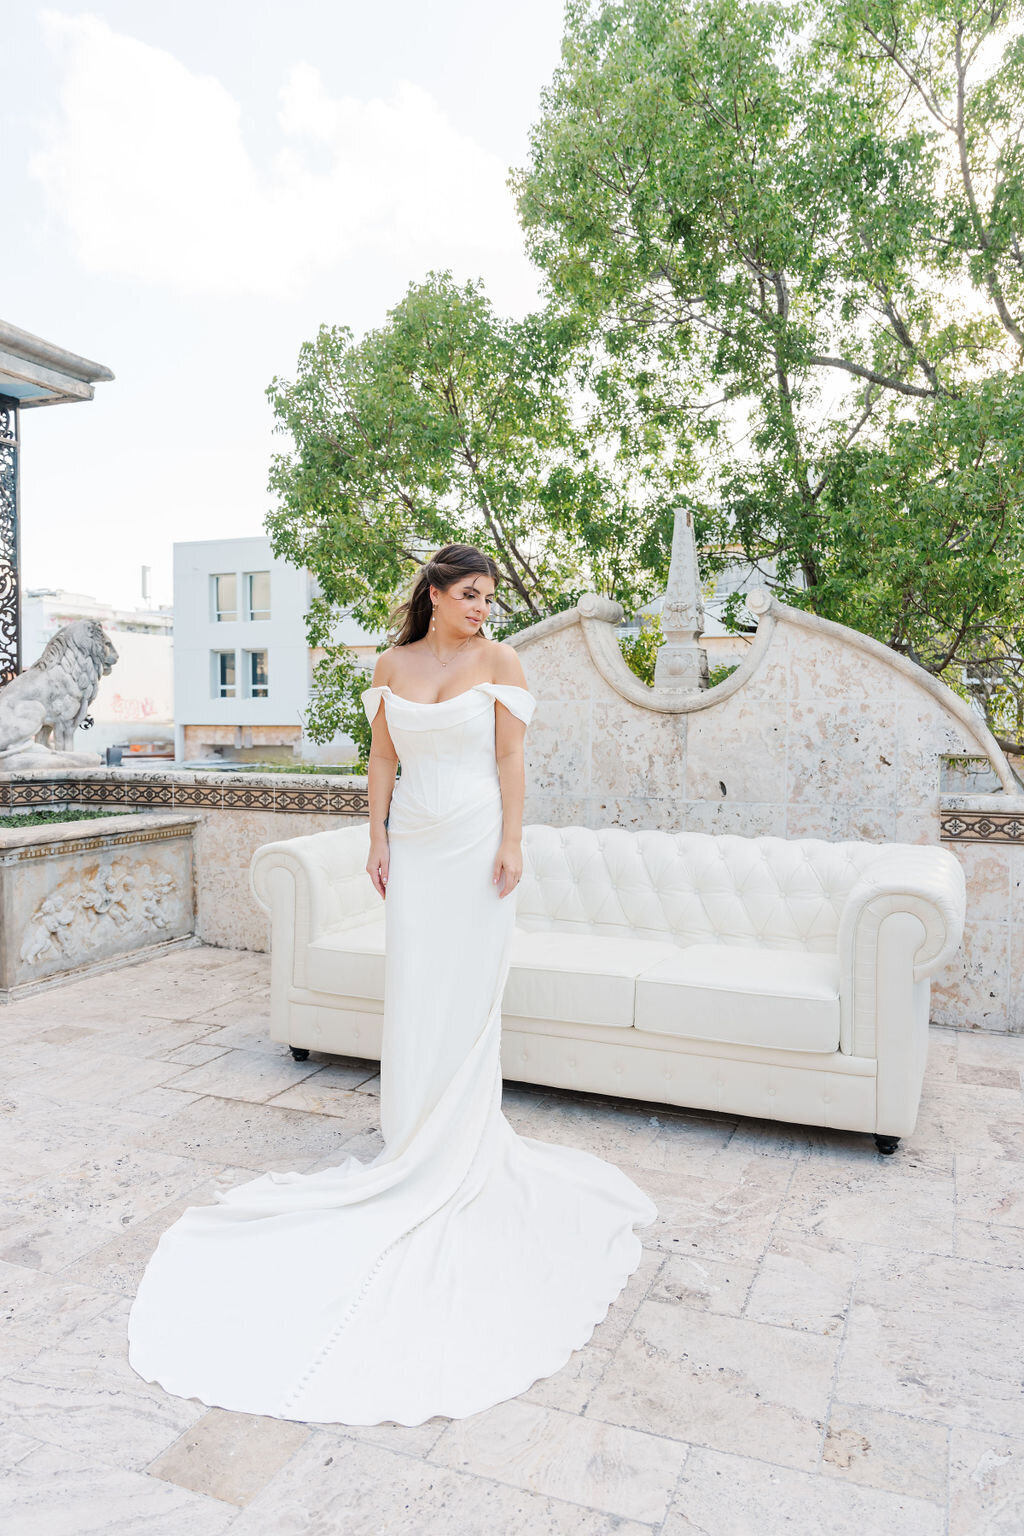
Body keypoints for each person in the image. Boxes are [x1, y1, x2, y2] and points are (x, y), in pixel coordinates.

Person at [127, 544, 655, 1425]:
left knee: (471, 987)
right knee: (417, 986)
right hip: (413, 844)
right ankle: (411, 1140)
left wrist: (514, 843)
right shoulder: (389, 664)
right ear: (436, 595)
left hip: (477, 839)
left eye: (490, 596)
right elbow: (379, 761)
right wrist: (373, 838)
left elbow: (513, 763)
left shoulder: (503, 661)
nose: (485, 607)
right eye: (472, 595)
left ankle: (463, 1143)